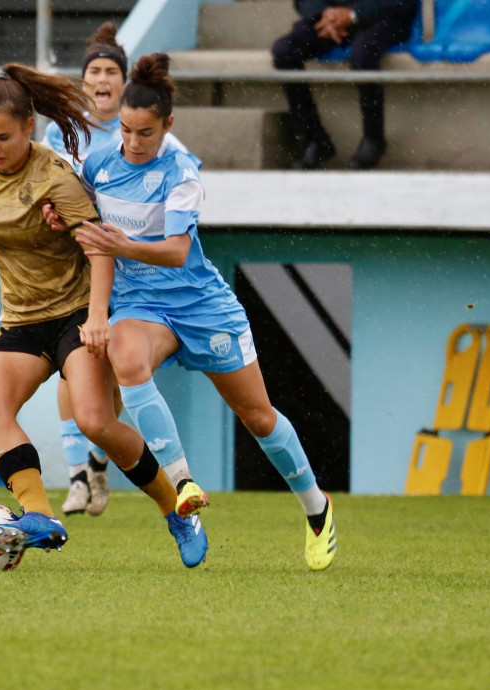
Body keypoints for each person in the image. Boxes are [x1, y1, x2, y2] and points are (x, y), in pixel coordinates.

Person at [47, 53, 338, 570]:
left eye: (146, 133)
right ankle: (183, 483)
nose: (134, 143)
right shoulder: (99, 165)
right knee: (125, 356)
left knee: (258, 417)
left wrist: (122, 244)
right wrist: (60, 216)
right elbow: (83, 222)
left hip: (203, 307)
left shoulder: (181, 171)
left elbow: (178, 251)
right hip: (142, 305)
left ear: (168, 126)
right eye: (128, 131)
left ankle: (317, 510)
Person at [0, 62, 208, 567]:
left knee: (96, 421)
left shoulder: (55, 175)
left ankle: (176, 510)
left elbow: (100, 250)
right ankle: (38, 515)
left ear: (28, 127)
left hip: (77, 314)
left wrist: (98, 317)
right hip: (21, 319)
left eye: (3, 137)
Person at [42, 21, 203, 518]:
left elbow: (177, 184)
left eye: (111, 70)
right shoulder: (61, 131)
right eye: (94, 71)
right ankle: (78, 474)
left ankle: (98, 457)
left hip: (131, 267)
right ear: (85, 82)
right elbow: (57, 189)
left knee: (111, 367)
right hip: (77, 261)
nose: (102, 79)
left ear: (122, 80)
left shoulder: (140, 131)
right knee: (73, 369)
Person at [272, 0, 419, 170]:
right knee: (285, 51)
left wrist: (352, 15)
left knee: (363, 55)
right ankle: (315, 139)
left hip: (383, 17)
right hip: (331, 18)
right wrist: (326, 14)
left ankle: (373, 139)